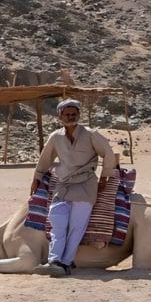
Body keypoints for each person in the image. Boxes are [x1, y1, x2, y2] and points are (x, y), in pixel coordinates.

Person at [30, 99, 116, 277]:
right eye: (67, 114)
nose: (71, 117)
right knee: (58, 223)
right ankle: (54, 261)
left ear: (79, 114)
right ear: (60, 116)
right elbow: (45, 159)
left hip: (86, 184)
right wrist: (37, 177)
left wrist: (105, 176)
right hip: (63, 184)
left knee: (77, 227)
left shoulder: (91, 134)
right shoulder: (56, 137)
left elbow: (108, 152)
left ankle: (65, 264)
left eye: (74, 113)